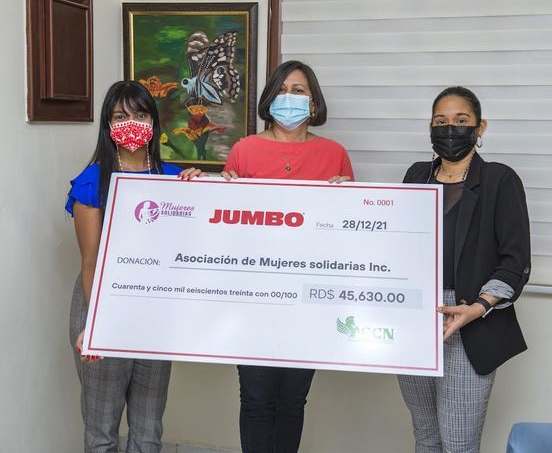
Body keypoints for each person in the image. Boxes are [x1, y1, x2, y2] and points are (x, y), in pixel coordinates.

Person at [225, 60, 354, 453]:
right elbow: (223, 230)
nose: (291, 98)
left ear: (313, 102)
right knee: (257, 399)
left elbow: (350, 232)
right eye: (283, 89)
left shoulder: (334, 155)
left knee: (293, 400)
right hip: (253, 295)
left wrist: (349, 200)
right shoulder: (244, 150)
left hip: (309, 299)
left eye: (299, 90)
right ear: (269, 98)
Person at [65, 80, 198, 453]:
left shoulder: (174, 179)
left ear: (154, 123)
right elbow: (90, 262)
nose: (132, 123)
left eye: (140, 114)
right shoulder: (92, 183)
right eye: (121, 116)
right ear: (108, 125)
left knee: (148, 427)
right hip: (102, 306)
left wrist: (201, 189)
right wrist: (95, 325)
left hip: (154, 310)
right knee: (102, 428)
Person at [397, 86, 531, 453]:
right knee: (425, 437)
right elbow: (395, 241)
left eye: (461, 121)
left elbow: (515, 261)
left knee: (458, 443)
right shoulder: (416, 175)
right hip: (414, 316)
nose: (450, 129)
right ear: (430, 127)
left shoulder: (500, 180)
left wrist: (479, 306)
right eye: (441, 122)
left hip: (471, 321)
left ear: (480, 127)